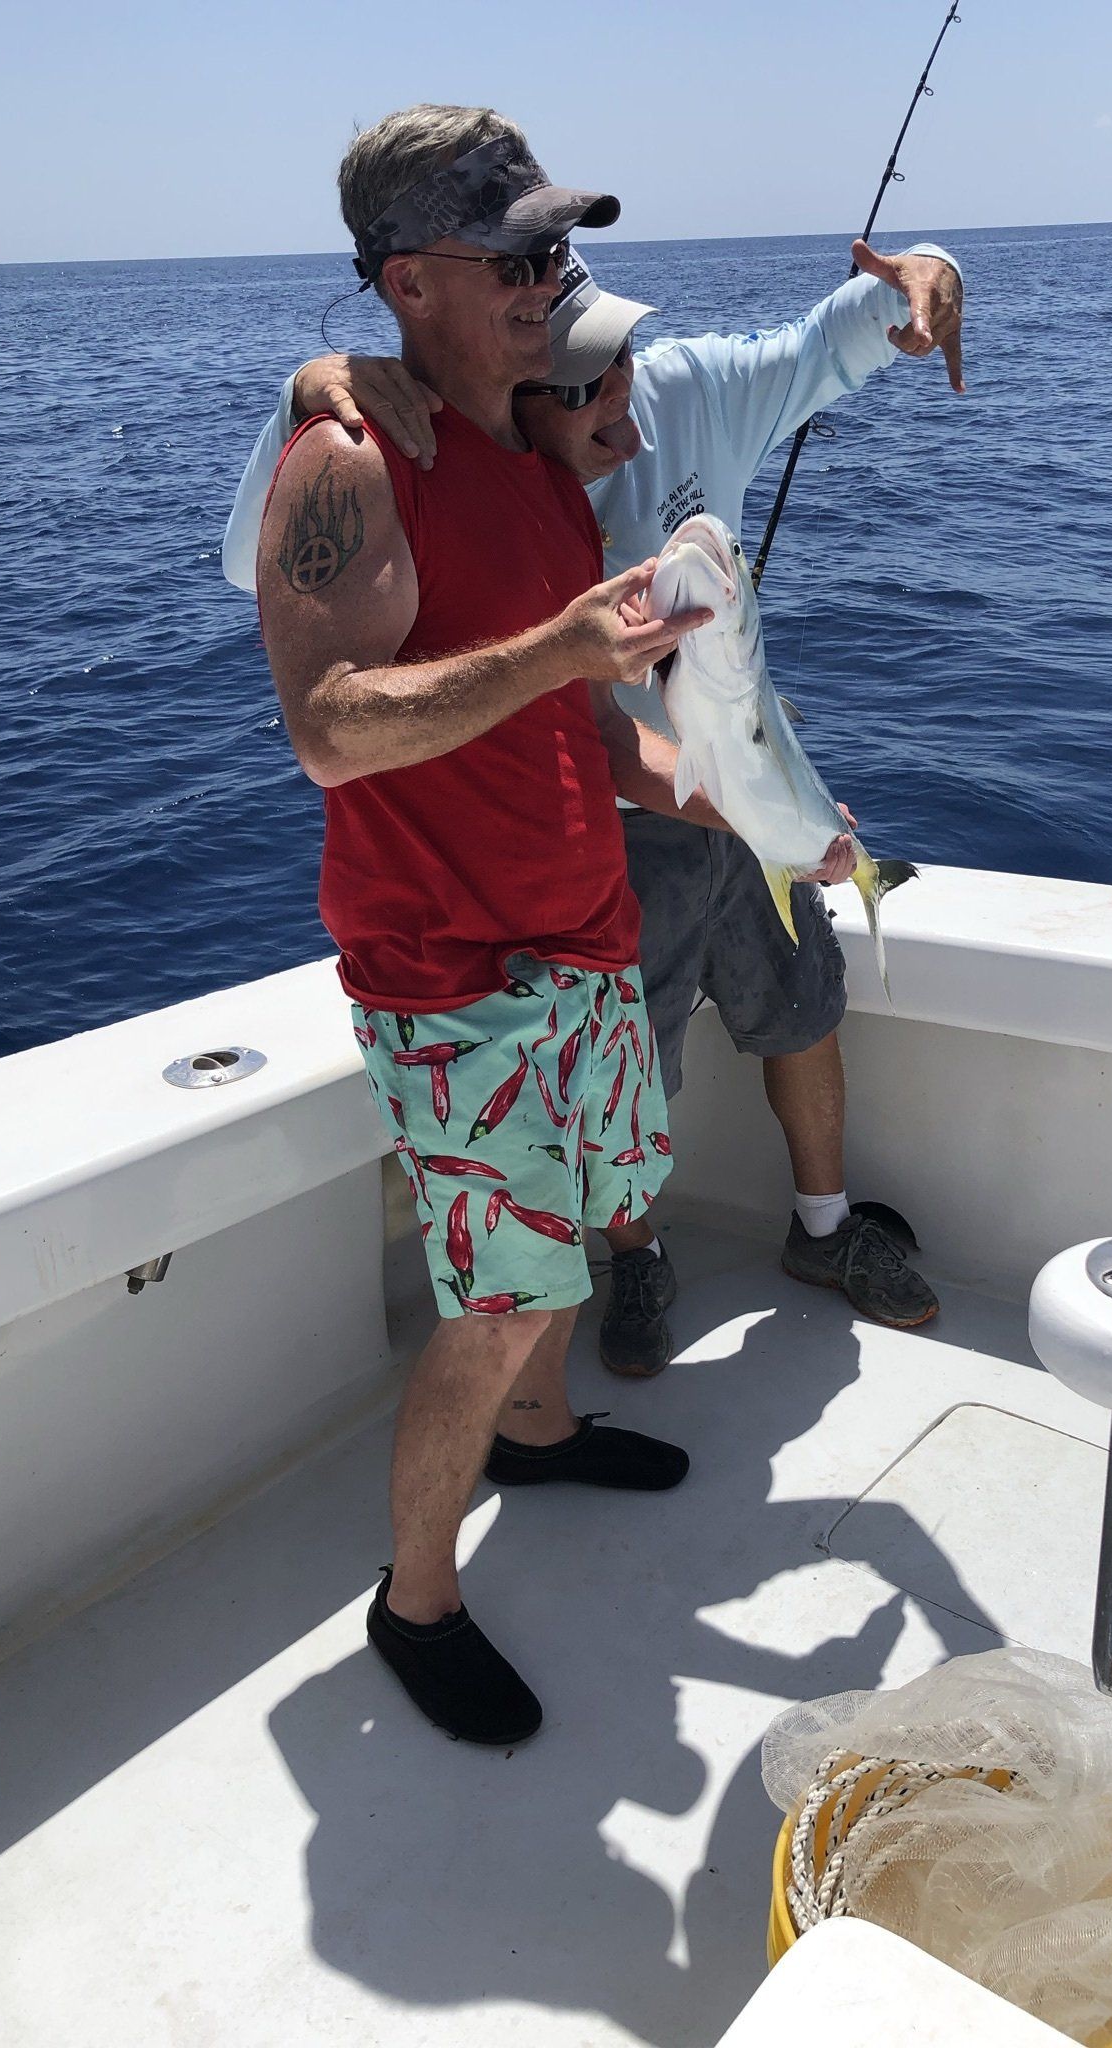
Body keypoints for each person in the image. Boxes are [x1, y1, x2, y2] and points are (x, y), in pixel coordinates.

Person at [254, 104, 856, 1749]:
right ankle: (417, 1595)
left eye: (560, 247)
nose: (554, 279)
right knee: (496, 1294)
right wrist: (562, 650)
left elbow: (585, 727)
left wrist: (724, 803)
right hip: (455, 977)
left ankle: (539, 1437)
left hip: (577, 929)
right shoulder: (349, 459)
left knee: (594, 1215)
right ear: (408, 281)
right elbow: (330, 724)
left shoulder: (530, 464)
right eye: (517, 255)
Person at [228, 211, 964, 1381]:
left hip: (741, 783)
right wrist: (309, 397)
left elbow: (841, 333)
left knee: (802, 1005)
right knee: (642, 1071)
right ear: (515, 401)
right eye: (580, 389)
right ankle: (641, 1257)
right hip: (608, 826)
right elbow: (267, 575)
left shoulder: (686, 387)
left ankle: (827, 1228)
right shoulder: (457, 469)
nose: (617, 393)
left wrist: (927, 279)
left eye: (616, 358)